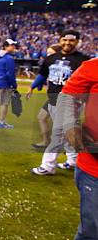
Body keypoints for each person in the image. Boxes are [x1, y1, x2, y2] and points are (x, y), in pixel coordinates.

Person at [29, 29, 90, 175]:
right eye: (65, 39)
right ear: (60, 40)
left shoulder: (83, 60)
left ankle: (48, 166)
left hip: (71, 101)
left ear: (77, 41)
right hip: (53, 100)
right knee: (68, 132)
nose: (68, 43)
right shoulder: (51, 58)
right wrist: (33, 86)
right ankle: (74, 161)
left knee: (58, 134)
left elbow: (89, 82)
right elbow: (43, 75)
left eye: (71, 40)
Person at [57, 57, 98, 240]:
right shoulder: (92, 66)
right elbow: (67, 98)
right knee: (93, 237)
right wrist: (70, 126)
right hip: (94, 167)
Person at [29, 44, 61, 150]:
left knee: (61, 124)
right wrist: (35, 85)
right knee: (42, 117)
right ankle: (46, 142)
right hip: (52, 97)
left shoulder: (62, 66)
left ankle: (69, 148)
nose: (48, 55)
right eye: (47, 53)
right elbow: (42, 76)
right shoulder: (51, 64)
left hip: (61, 97)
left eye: (51, 53)